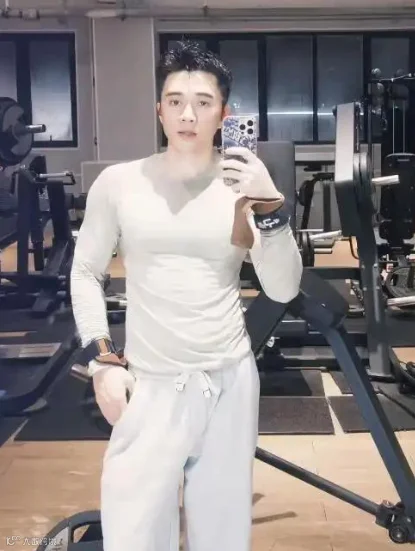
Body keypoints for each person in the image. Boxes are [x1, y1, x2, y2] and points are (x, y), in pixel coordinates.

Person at [70, 41, 303, 551]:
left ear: (223, 114)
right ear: (159, 110)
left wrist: (270, 205)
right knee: (133, 533)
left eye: (202, 102)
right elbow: (85, 271)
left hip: (229, 381)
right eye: (175, 101)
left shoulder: (243, 187)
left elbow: (283, 287)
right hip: (151, 383)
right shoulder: (120, 183)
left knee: (221, 536)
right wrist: (102, 358)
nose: (188, 115)